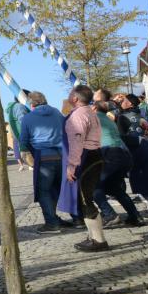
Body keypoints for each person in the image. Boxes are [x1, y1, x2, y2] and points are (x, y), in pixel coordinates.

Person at [56, 85, 107, 253]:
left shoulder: (77, 115)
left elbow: (77, 142)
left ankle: (98, 240)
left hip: (85, 158)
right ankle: (93, 236)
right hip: (94, 156)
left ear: (76, 98)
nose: (69, 96)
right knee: (85, 199)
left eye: (70, 94)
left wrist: (72, 165)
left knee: (85, 200)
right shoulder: (90, 112)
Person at [19, 91, 76, 234]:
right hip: (62, 156)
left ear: (31, 104)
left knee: (43, 191)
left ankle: (51, 223)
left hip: (44, 158)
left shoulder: (28, 118)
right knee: (58, 188)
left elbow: (24, 141)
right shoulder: (57, 113)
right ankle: (71, 218)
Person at [92, 101, 145, 227]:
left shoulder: (93, 118)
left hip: (111, 153)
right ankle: (135, 216)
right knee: (114, 188)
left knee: (93, 186)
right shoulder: (109, 120)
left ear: (94, 107)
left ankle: (109, 215)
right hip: (125, 155)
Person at [7, 91, 33, 171]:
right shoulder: (19, 106)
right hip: (25, 138)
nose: (31, 100)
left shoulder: (14, 107)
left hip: (21, 137)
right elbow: (24, 121)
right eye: (30, 97)